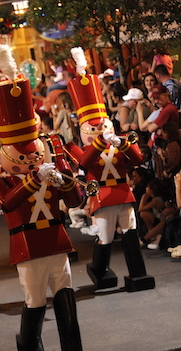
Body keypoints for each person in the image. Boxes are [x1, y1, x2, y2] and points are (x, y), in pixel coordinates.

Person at [0, 45, 97, 351]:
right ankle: (29, 349)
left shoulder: (47, 165)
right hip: (26, 244)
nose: (32, 159)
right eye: (25, 156)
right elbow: (6, 202)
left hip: (56, 240)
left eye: (35, 155)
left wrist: (66, 181)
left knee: (65, 294)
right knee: (34, 301)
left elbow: (73, 203)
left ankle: (72, 350)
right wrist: (33, 179)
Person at [67, 47, 154, 292]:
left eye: (102, 126)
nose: (98, 131)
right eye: (92, 129)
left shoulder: (118, 140)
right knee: (105, 238)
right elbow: (84, 163)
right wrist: (101, 142)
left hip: (123, 193)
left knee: (130, 232)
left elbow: (137, 160)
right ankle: (100, 270)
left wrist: (123, 143)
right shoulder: (80, 148)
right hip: (103, 197)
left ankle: (137, 273)